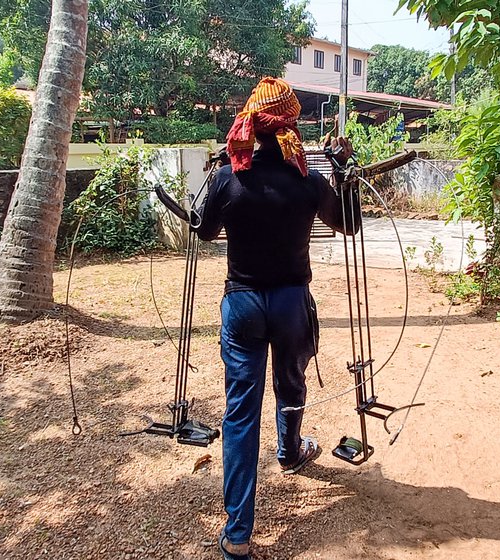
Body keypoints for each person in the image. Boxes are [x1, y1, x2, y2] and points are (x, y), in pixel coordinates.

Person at [193, 77, 361, 560]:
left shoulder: (229, 177)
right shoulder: (308, 180)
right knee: (291, 383)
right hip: (291, 303)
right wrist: (346, 174)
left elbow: (204, 232)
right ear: (290, 124)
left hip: (242, 304)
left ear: (249, 122)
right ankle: (290, 451)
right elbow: (349, 224)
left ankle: (239, 533)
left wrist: (213, 179)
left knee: (240, 414)